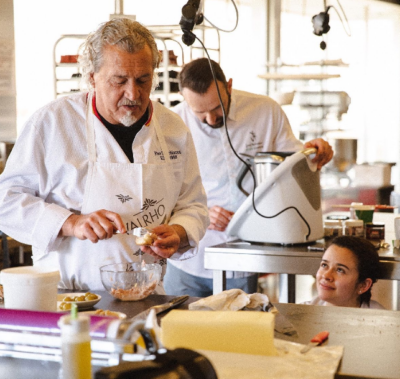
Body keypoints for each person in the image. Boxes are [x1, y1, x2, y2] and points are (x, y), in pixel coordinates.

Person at [0, 18, 209, 292]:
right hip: (68, 297)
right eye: (119, 81)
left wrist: (179, 232)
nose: (133, 93)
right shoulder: (52, 123)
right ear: (91, 78)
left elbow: (193, 204)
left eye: (143, 80)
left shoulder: (173, 128)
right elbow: (6, 201)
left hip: (146, 294)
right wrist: (70, 223)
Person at [164, 58, 334, 297]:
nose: (211, 119)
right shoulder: (172, 123)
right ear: (184, 98)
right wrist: (201, 211)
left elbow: (293, 164)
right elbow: (162, 189)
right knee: (181, 330)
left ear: (229, 86)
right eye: (200, 112)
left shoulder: (265, 111)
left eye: (217, 108)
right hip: (188, 260)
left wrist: (314, 153)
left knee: (240, 330)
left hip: (245, 254)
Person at [304, 236, 385, 308]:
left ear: (363, 285)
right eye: (324, 265)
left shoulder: (381, 320)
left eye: (340, 270)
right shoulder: (303, 314)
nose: (326, 275)